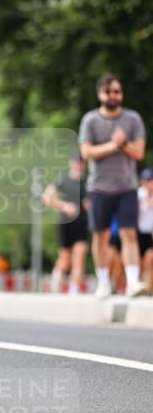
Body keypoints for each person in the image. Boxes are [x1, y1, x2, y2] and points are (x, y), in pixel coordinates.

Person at [79, 73, 146, 298]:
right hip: (98, 188)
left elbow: (138, 152)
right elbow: (87, 152)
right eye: (109, 92)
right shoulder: (90, 121)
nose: (113, 95)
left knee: (129, 234)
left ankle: (133, 282)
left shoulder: (132, 119)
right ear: (100, 94)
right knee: (100, 236)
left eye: (117, 91)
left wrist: (124, 143)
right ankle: (103, 283)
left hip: (126, 186)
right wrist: (113, 144)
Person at [42, 155, 89, 294]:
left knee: (79, 257)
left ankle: (74, 291)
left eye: (81, 162)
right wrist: (64, 206)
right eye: (76, 161)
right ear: (71, 163)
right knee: (65, 258)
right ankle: (55, 285)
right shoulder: (63, 180)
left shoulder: (88, 182)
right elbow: (46, 197)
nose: (78, 164)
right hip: (66, 223)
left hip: (82, 223)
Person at [137, 168, 153, 294]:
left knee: (149, 260)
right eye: (147, 180)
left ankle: (148, 288)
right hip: (138, 233)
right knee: (139, 263)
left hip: (150, 234)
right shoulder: (138, 194)